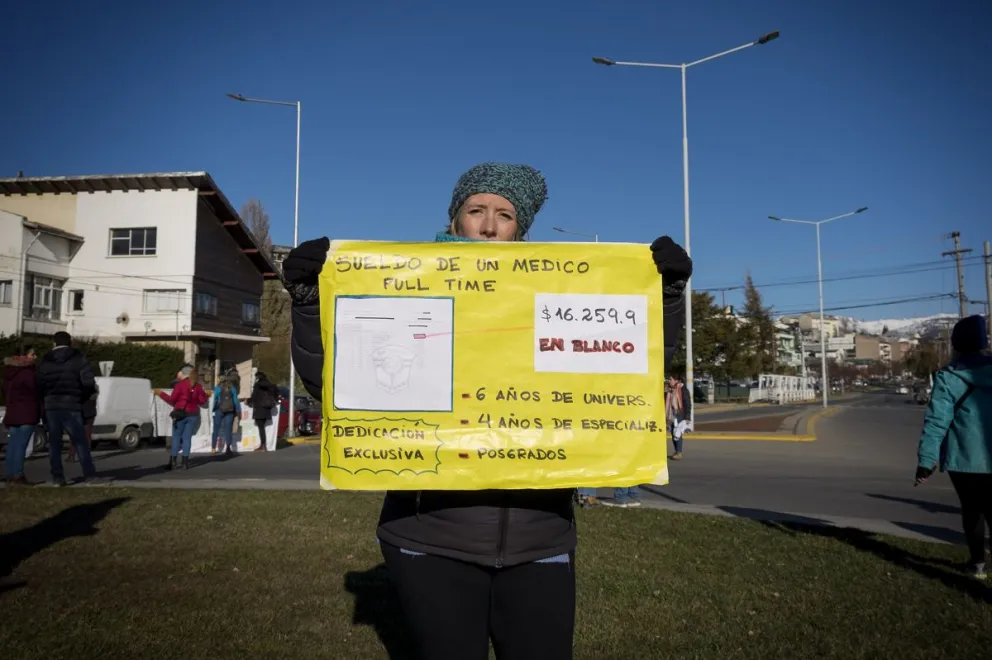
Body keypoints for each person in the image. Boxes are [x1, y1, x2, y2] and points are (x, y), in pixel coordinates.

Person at [281, 162, 692, 660]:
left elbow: (627, 370)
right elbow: (339, 387)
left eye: (505, 215)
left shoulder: (558, 298)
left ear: (521, 231)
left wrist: (664, 298)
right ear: (455, 220)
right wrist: (306, 304)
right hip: (429, 538)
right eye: (476, 210)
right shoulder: (406, 290)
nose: (489, 226)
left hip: (541, 540)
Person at [915, 314, 992, 580]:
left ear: (956, 344)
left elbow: (937, 422)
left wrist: (926, 461)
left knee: (972, 511)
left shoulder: (949, 378)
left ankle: (978, 565)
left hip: (966, 459)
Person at [36, 332, 99, 486]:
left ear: (54, 343)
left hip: (51, 405)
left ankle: (58, 477)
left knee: (55, 443)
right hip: (72, 404)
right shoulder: (78, 358)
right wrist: (81, 395)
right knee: (80, 441)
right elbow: (89, 382)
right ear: (70, 342)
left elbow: (39, 384)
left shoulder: (46, 361)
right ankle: (89, 474)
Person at [2, 348, 40, 485]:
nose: (35, 356)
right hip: (27, 412)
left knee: (13, 445)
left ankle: (10, 473)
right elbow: (36, 392)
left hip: (12, 413)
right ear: (24, 356)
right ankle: (18, 475)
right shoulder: (28, 373)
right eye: (32, 354)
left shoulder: (9, 373)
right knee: (21, 446)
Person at [158, 365, 207, 470]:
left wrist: (160, 394)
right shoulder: (198, 386)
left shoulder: (180, 385)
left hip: (180, 414)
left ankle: (173, 462)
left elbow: (172, 399)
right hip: (193, 415)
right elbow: (202, 401)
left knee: (176, 438)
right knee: (187, 439)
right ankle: (185, 463)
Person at [212, 374, 241, 455]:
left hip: (219, 410)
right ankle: (228, 448)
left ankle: (213, 448)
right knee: (228, 429)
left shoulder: (217, 388)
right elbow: (235, 401)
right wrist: (237, 411)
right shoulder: (232, 388)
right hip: (230, 411)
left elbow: (215, 399)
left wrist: (213, 408)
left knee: (216, 429)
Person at [249, 372, 277, 451]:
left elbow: (254, 396)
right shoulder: (269, 384)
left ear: (258, 377)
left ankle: (263, 445)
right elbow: (275, 392)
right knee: (262, 427)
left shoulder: (258, 385)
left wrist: (247, 401)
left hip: (259, 408)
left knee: (261, 427)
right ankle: (263, 445)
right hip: (267, 409)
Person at [666, 374, 692, 460]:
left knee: (678, 432)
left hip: (680, 413)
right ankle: (677, 451)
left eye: (671, 379)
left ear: (676, 381)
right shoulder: (670, 390)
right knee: (673, 433)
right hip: (672, 414)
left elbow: (687, 403)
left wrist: (687, 417)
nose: (669, 381)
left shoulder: (682, 390)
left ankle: (679, 452)